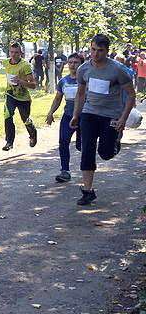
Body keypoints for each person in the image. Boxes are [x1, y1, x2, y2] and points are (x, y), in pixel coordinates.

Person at [70, 34, 136, 205]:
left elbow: (131, 95)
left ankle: (115, 143)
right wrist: (76, 115)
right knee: (87, 150)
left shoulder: (117, 70)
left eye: (100, 51)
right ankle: (87, 191)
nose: (95, 54)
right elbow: (81, 93)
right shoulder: (83, 69)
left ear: (107, 51)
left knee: (105, 153)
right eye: (93, 49)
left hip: (110, 116)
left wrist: (123, 119)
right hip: (89, 114)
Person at [45, 53, 84, 182]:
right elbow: (57, 99)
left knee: (82, 145)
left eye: (76, 62)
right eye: (70, 62)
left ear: (81, 64)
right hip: (68, 116)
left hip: (84, 117)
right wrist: (50, 113)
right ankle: (65, 171)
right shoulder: (63, 81)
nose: (72, 65)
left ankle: (87, 170)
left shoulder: (86, 80)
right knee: (63, 141)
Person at [1, 42, 38, 151]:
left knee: (25, 119)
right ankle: (9, 142)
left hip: (23, 98)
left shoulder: (25, 65)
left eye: (16, 52)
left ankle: (33, 133)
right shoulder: (6, 62)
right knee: (7, 115)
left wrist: (21, 81)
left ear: (20, 53)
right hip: (10, 94)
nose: (13, 55)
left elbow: (33, 85)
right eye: (11, 52)